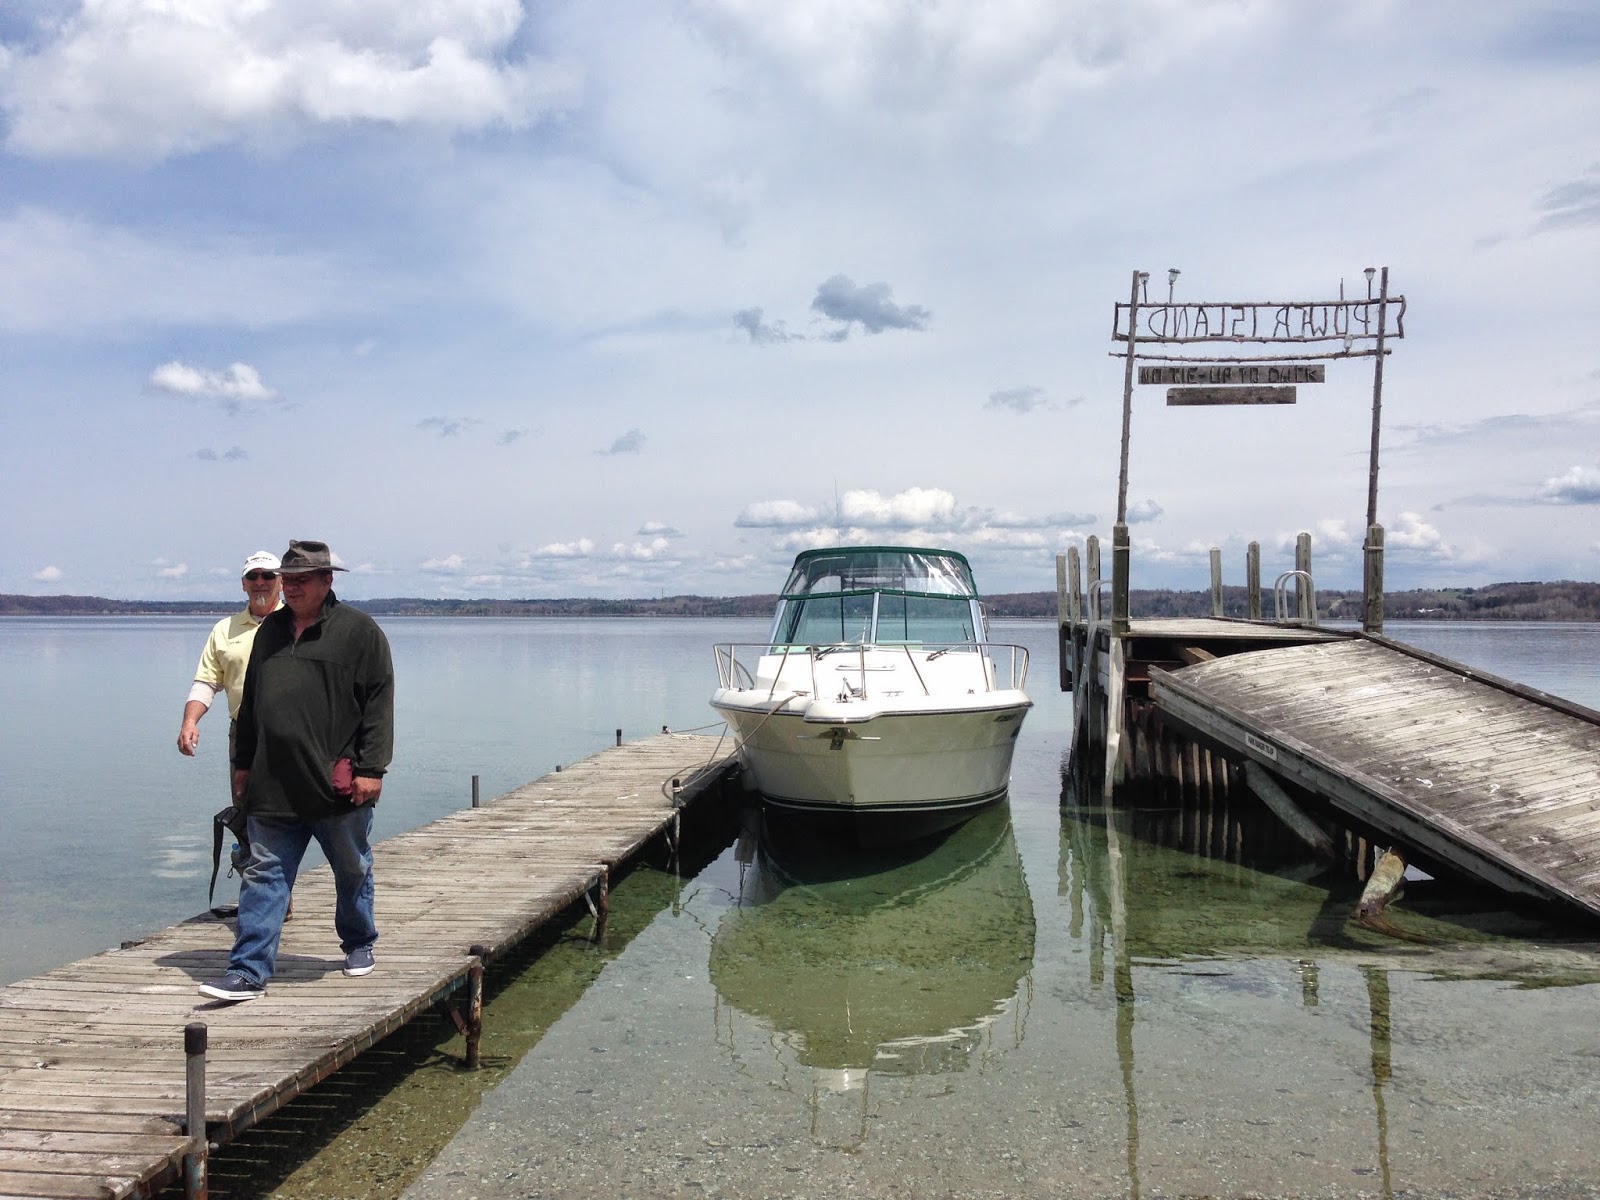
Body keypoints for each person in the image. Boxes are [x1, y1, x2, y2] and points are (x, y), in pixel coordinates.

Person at [199, 539, 394, 1003]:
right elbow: (250, 704)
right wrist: (243, 764)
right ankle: (247, 971)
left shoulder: (360, 632)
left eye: (302, 580)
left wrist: (372, 769)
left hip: (335, 783)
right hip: (273, 783)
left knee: (351, 868)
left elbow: (379, 703)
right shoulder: (270, 631)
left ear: (327, 580)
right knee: (264, 874)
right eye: (287, 580)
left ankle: (359, 941)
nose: (291, 588)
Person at [177, 550, 282, 763]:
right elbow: (206, 683)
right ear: (243, 584)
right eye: (252, 576)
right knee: (243, 786)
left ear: (282, 582)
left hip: (291, 734)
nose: (260, 582)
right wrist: (189, 722)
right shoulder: (223, 629)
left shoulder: (297, 624)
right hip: (243, 734)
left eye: (268, 575)